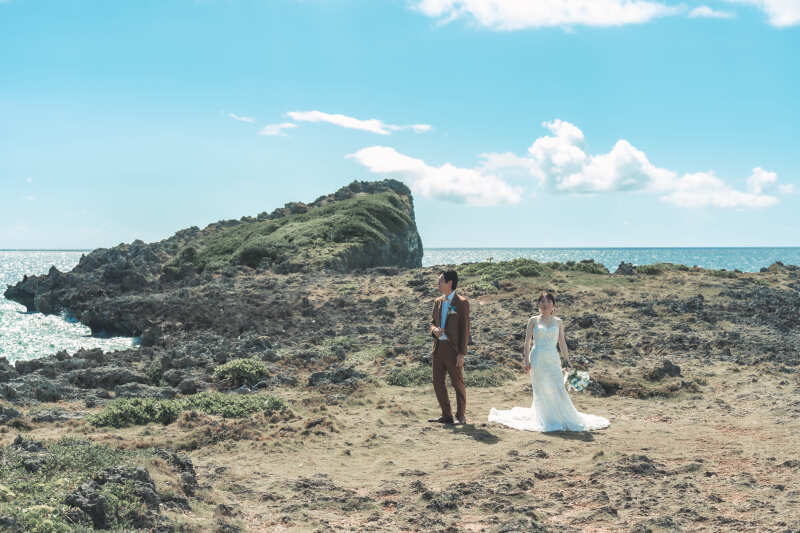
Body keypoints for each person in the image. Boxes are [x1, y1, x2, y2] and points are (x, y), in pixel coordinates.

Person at [488, 291, 609, 432]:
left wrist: (567, 360)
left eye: (548, 302)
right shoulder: (533, 320)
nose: (545, 305)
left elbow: (562, 342)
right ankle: (545, 419)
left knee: (558, 388)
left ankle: (560, 416)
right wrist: (526, 360)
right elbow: (527, 342)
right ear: (538, 304)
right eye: (542, 302)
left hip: (552, 358)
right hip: (537, 357)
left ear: (553, 305)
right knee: (541, 389)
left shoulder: (558, 322)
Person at [428, 270, 470, 425]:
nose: (438, 284)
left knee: (457, 383)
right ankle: (446, 415)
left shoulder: (462, 302)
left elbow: (465, 329)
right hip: (438, 348)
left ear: (449, 283)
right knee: (437, 382)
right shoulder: (438, 301)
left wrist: (462, 353)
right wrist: (434, 330)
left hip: (453, 350)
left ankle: (461, 416)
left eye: (440, 281)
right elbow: (431, 322)